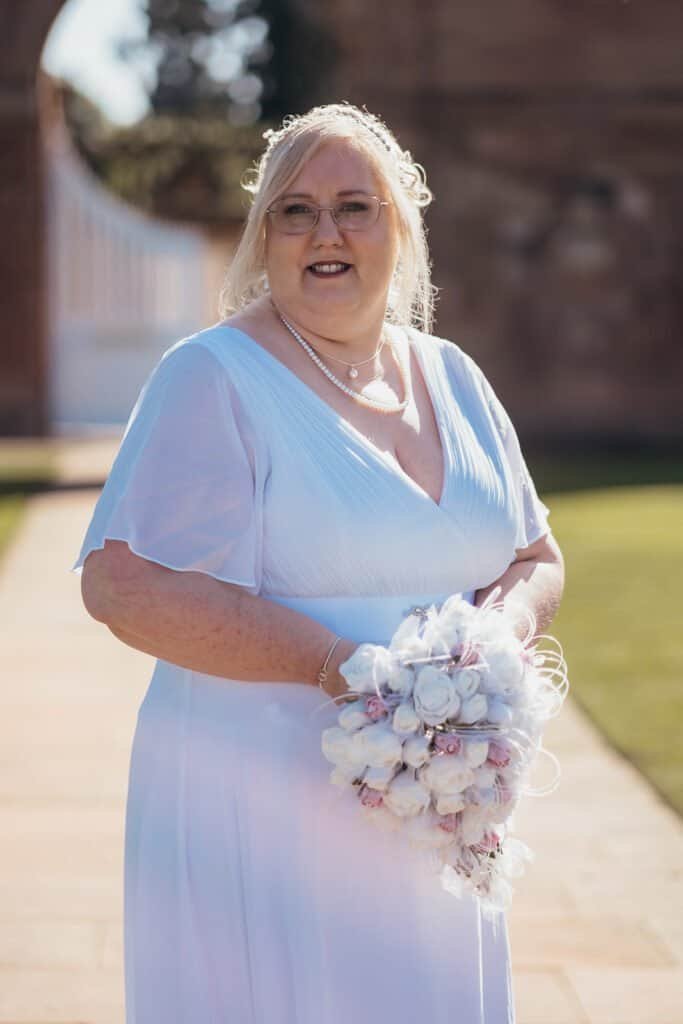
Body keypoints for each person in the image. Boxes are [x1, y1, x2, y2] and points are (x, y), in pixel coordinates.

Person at [72, 102, 565, 1023]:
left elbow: (536, 553)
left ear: (401, 229)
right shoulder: (210, 375)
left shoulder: (454, 375)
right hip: (260, 809)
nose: (324, 231)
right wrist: (344, 672)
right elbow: (122, 586)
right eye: (294, 211)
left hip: (437, 815)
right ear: (264, 239)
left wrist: (483, 651)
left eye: (354, 206)